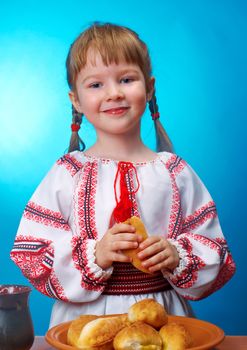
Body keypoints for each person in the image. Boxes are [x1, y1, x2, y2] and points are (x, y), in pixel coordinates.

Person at [10, 22, 236, 328]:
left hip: (163, 317)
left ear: (150, 87)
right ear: (75, 100)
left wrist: (175, 255)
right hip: (85, 322)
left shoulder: (176, 172)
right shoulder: (68, 173)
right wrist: (97, 254)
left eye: (127, 79)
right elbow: (31, 251)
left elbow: (216, 250)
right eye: (95, 85)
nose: (114, 93)